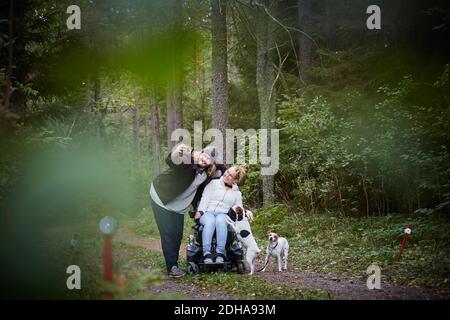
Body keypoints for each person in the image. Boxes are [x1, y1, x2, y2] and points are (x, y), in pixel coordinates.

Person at [149, 143, 226, 277]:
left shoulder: (208, 173)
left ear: (211, 163)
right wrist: (175, 153)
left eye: (208, 159)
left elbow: (227, 172)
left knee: (177, 234)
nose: (204, 159)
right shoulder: (189, 161)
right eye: (204, 155)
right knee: (168, 233)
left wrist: (236, 173)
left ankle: (174, 263)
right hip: (161, 198)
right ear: (200, 153)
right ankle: (172, 267)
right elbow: (172, 161)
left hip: (179, 207)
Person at [194, 166, 252, 263]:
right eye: (227, 172)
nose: (226, 175)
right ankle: (206, 253)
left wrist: (247, 212)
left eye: (230, 175)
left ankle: (220, 252)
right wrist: (200, 212)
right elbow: (205, 200)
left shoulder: (237, 193)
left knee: (221, 220)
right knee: (210, 221)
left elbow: (238, 208)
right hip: (208, 213)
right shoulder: (213, 184)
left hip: (223, 214)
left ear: (235, 180)